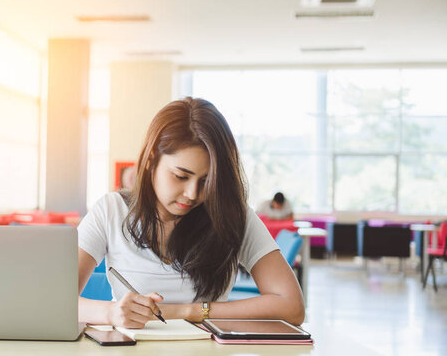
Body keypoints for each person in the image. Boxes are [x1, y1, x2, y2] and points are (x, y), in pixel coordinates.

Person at [77, 98, 305, 328]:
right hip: (128, 355)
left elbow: (292, 307)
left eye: (207, 181)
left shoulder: (232, 215)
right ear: (151, 160)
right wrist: (111, 313)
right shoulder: (111, 211)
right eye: (181, 176)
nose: (192, 194)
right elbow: (55, 301)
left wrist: (190, 310)